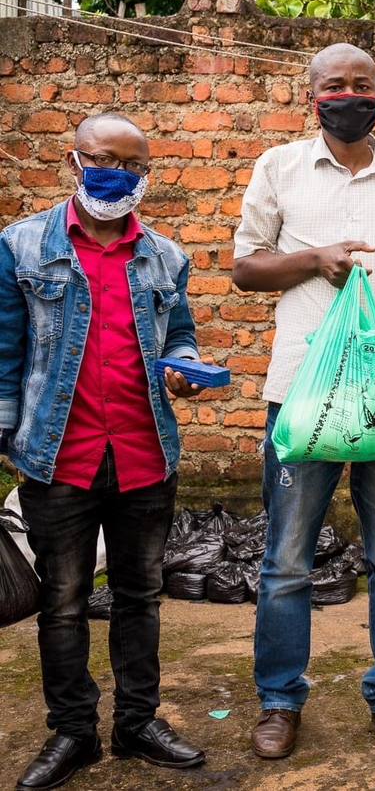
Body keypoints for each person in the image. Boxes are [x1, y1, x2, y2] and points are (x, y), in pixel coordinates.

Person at [232, 43, 375, 761]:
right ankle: (279, 700)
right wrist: (314, 259)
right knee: (286, 560)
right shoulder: (279, 168)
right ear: (312, 97)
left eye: (363, 83)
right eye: (335, 85)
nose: (349, 94)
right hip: (302, 395)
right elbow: (244, 268)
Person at [0, 113, 208, 790]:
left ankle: (137, 723)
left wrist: (184, 367)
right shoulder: (22, 246)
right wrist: (5, 436)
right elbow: (4, 350)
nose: (114, 173)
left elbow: (181, 334)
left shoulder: (165, 256)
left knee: (140, 597)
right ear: (74, 161)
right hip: (58, 457)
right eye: (101, 159)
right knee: (62, 602)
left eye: (131, 165)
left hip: (146, 454)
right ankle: (73, 733)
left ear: (146, 175)